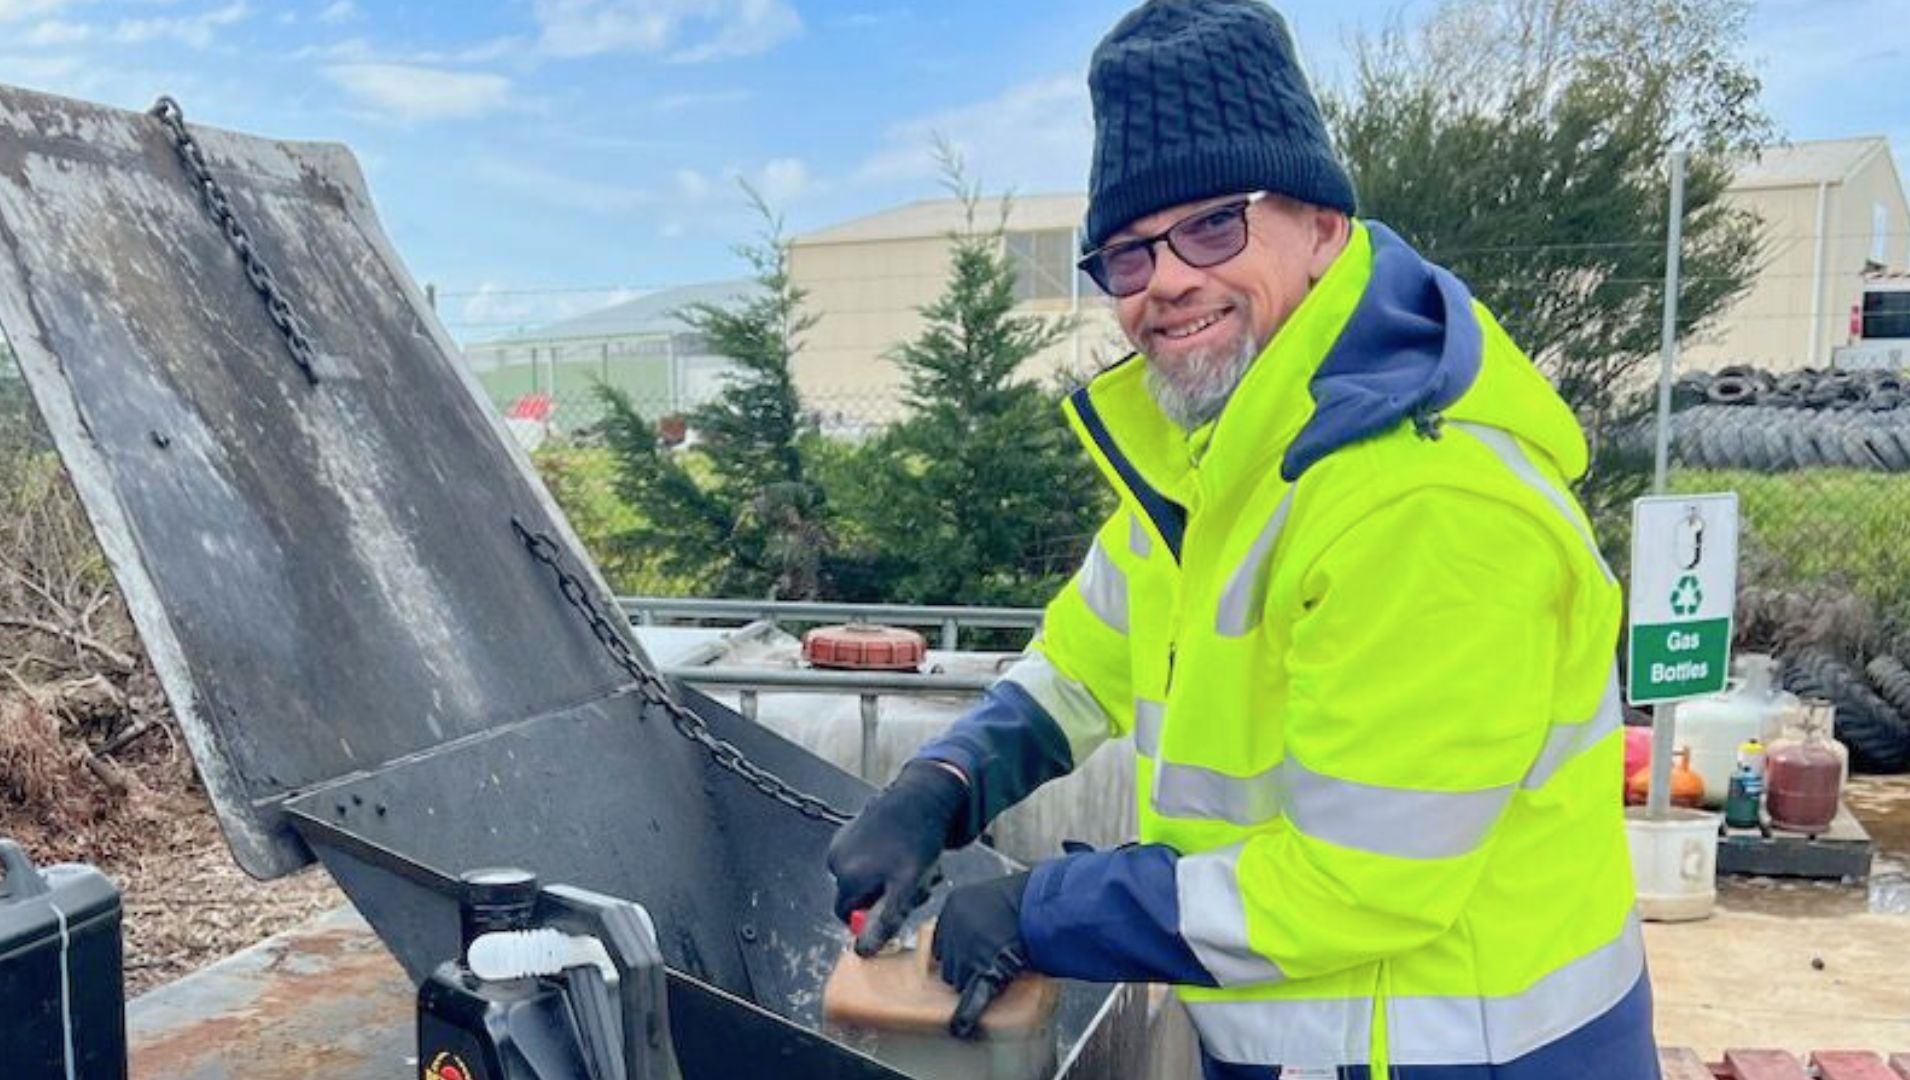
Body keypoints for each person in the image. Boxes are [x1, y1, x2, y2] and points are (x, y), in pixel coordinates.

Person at [827, 1, 1659, 1076]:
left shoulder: (1427, 502)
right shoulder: (1214, 458)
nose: (1165, 279)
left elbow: (1358, 879)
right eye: (1124, 254)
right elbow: (1087, 658)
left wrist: (1044, 910)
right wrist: (942, 782)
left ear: (1320, 225)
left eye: (1213, 225)